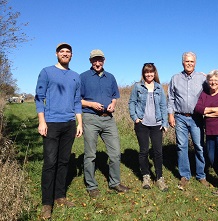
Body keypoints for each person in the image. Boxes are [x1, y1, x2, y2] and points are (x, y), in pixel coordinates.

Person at [35, 43, 83, 220]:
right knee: (50, 162)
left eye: (68, 52)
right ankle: (47, 203)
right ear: (56, 54)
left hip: (69, 124)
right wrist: (42, 120)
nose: (65, 54)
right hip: (51, 123)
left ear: (71, 55)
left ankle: (60, 196)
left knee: (64, 161)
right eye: (62, 51)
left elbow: (77, 101)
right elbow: (39, 97)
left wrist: (79, 123)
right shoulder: (46, 72)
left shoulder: (75, 76)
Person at [80, 49, 130, 198]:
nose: (97, 63)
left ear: (104, 60)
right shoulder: (83, 77)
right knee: (90, 154)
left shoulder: (111, 77)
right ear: (90, 61)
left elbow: (115, 96)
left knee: (115, 153)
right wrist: (91, 104)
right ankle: (91, 186)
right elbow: (77, 100)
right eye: (94, 60)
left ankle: (115, 182)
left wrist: (113, 104)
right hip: (90, 118)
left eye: (100, 60)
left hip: (108, 119)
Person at [167, 51, 209, 191]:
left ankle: (201, 175)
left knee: (199, 146)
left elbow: (213, 91)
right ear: (182, 62)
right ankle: (185, 175)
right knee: (181, 146)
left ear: (195, 63)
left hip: (196, 118)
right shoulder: (175, 78)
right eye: (187, 61)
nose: (189, 63)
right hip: (180, 117)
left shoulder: (202, 78)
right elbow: (171, 98)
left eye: (192, 61)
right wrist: (170, 115)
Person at [129, 63, 168, 191]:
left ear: (154, 73)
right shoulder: (137, 87)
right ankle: (146, 176)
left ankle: (159, 178)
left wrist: (164, 122)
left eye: (151, 72)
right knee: (144, 151)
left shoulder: (159, 88)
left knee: (158, 152)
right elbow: (132, 103)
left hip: (157, 124)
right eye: (146, 72)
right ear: (143, 73)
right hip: (142, 124)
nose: (149, 74)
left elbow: (163, 105)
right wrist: (135, 118)